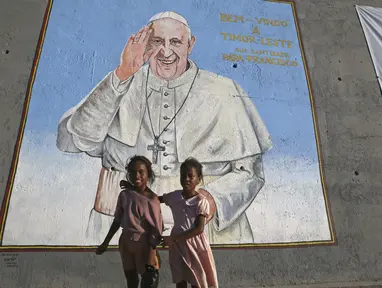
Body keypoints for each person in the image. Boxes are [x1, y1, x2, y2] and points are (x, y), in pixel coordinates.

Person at [56, 11, 272, 245]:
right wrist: (122, 74)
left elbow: (250, 172)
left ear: (191, 44)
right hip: (120, 225)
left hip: (204, 228)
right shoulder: (120, 83)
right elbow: (73, 140)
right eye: (157, 42)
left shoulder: (223, 91)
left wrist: (212, 200)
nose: (166, 52)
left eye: (176, 42)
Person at [95, 155, 163, 288]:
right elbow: (117, 220)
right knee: (131, 281)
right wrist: (105, 242)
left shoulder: (152, 200)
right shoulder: (125, 195)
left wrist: (151, 255)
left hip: (144, 246)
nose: (136, 175)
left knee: (149, 281)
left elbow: (157, 230)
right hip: (126, 244)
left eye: (141, 172)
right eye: (132, 172)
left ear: (148, 174)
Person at [160, 158, 218, 288]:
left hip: (195, 246)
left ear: (199, 179)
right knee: (180, 279)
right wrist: (137, 190)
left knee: (197, 279)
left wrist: (173, 239)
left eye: (191, 176)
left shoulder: (200, 201)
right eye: (183, 175)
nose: (186, 179)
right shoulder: (174, 196)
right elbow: (155, 199)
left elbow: (199, 229)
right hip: (177, 246)